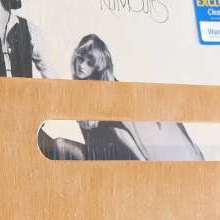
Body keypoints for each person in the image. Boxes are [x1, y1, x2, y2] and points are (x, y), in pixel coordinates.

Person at [70, 34, 205, 162]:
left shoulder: (107, 91)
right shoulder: (83, 89)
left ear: (97, 66)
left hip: (125, 153)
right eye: (81, 58)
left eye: (90, 63)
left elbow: (121, 132)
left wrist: (144, 162)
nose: (82, 66)